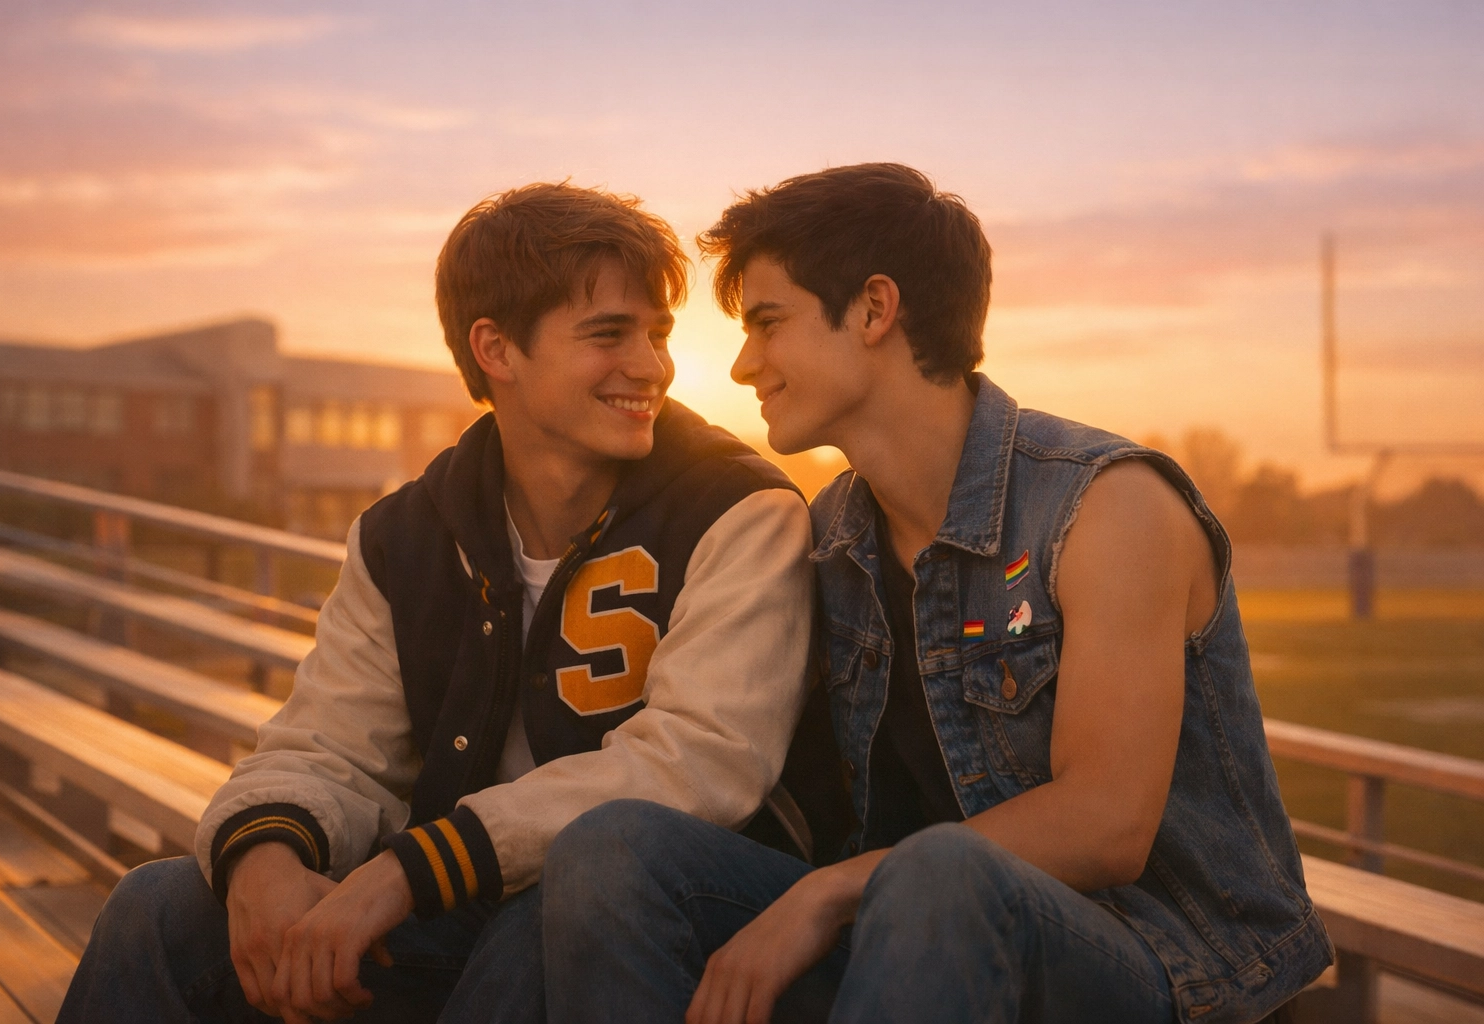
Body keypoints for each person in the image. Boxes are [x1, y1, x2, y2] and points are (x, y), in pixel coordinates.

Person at [541, 164, 1334, 1024]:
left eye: (768, 323)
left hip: (1166, 967)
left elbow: (1108, 822)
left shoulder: (1106, 505)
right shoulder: (832, 537)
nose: (741, 366)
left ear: (877, 310)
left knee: (938, 874)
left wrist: (828, 894)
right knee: (611, 849)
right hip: (909, 943)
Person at [57, 182, 825, 1023]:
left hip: (639, 923)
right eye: (609, 334)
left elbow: (702, 761)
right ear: (495, 348)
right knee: (156, 905)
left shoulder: (737, 508)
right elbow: (330, 743)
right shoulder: (405, 533)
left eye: (657, 332)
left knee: (535, 929)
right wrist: (264, 859)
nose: (652, 365)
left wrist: (408, 872)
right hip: (444, 905)